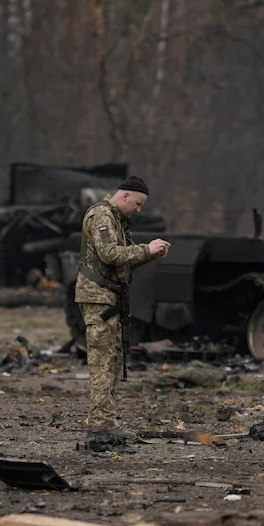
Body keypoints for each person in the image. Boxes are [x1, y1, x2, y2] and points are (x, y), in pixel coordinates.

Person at [75, 175, 170, 448]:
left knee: (112, 360)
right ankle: (100, 426)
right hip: (98, 298)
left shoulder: (118, 219)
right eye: (138, 204)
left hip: (109, 296)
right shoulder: (102, 215)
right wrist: (145, 249)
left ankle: (106, 422)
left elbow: (122, 261)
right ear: (125, 196)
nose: (139, 210)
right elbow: (110, 254)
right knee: (103, 361)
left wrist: (149, 254)